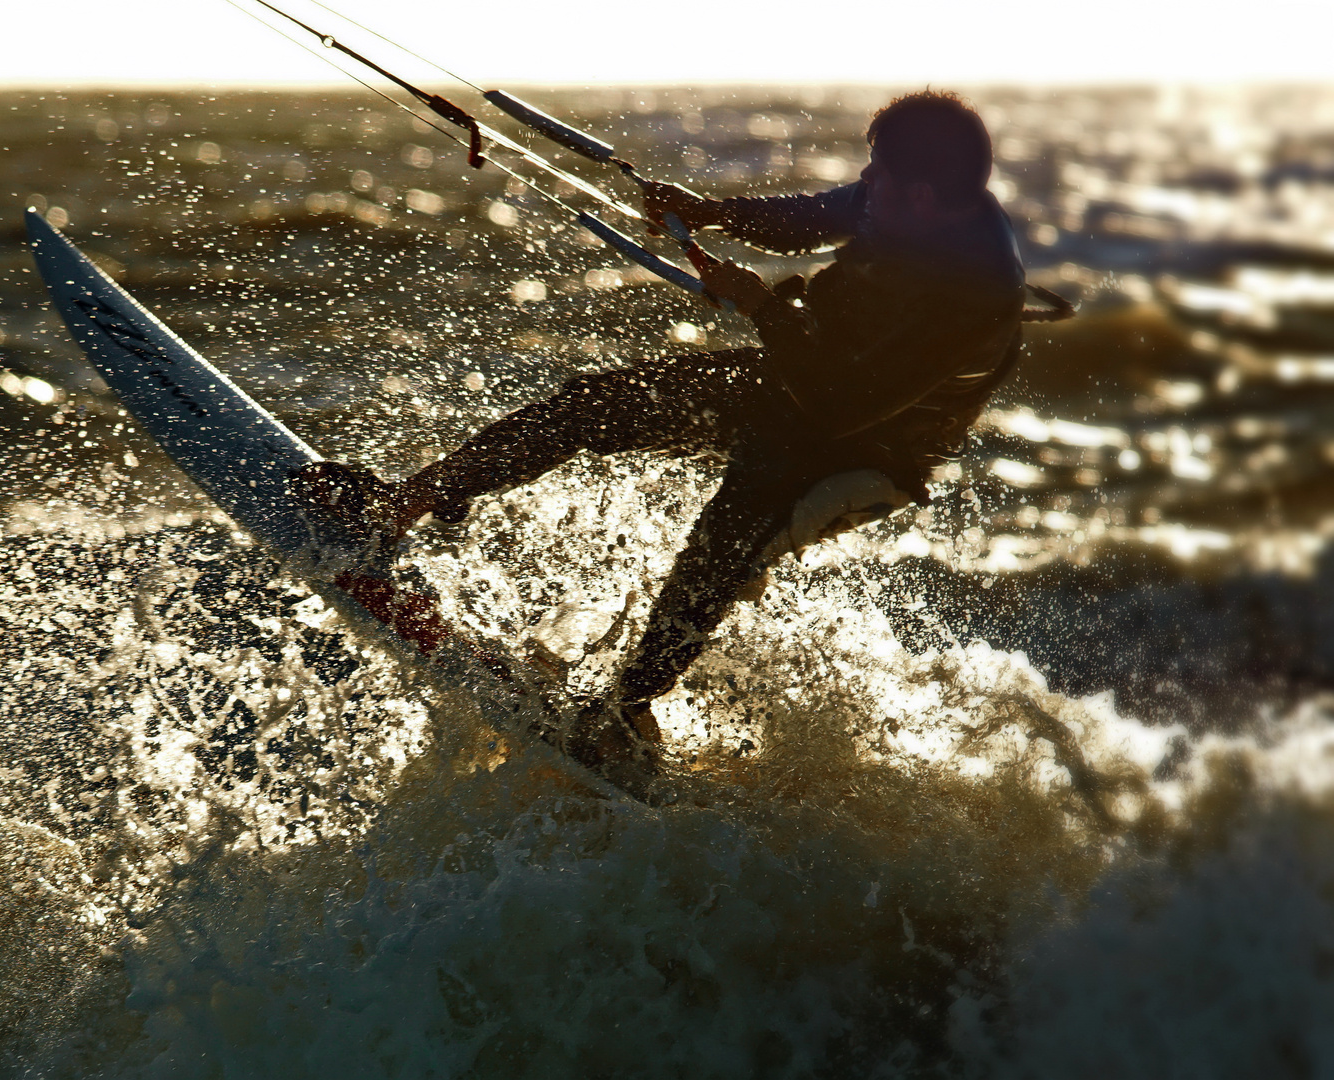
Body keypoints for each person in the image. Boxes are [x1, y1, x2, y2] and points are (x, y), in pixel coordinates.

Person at [303, 91, 1059, 796]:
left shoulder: (973, 293)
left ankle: (626, 712)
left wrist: (762, 306)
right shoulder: (901, 200)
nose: (865, 186)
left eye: (878, 177)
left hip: (862, 445)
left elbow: (840, 407)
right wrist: (712, 212)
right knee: (595, 405)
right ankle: (401, 503)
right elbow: (819, 215)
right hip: (795, 377)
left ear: (923, 197)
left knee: (717, 547)